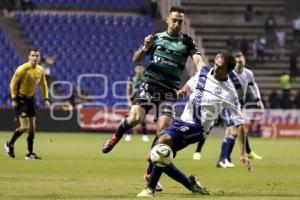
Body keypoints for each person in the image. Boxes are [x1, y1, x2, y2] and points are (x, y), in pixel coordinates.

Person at [137, 52, 251, 197]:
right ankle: (191, 184)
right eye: (215, 64)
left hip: (199, 127)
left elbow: (240, 123)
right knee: (153, 156)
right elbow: (189, 85)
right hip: (183, 121)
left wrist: (242, 153)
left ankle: (150, 189)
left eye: (220, 67)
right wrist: (182, 92)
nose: (215, 68)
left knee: (163, 142)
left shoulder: (229, 92)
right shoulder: (203, 72)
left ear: (228, 70)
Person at [102, 6, 206, 154]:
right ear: (168, 20)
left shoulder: (187, 41)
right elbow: (136, 60)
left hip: (169, 91)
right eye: (174, 20)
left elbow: (198, 61)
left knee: (163, 132)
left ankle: (151, 170)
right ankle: (115, 137)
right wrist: (145, 47)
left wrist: (204, 72)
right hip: (150, 84)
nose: (177, 24)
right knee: (135, 119)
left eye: (180, 22)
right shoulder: (156, 38)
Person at [193, 51, 263, 167]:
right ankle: (213, 155)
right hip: (224, 105)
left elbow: (253, 86)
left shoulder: (248, 74)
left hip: (237, 105)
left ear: (244, 61)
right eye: (237, 62)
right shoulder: (228, 74)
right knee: (233, 130)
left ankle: (225, 159)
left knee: (231, 131)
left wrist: (258, 99)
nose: (239, 64)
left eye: (241, 61)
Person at [4, 49, 50, 160]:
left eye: (37, 55)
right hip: (20, 99)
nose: (35, 57)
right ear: (29, 57)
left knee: (32, 129)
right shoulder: (22, 69)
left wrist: (46, 99)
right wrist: (14, 98)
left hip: (31, 100)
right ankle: (9, 144)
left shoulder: (40, 70)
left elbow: (44, 85)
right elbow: (12, 84)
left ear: (39, 58)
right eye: (33, 55)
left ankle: (29, 153)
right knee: (24, 127)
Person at [125, 64, 149, 142]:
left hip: (143, 99)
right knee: (131, 117)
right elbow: (128, 90)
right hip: (133, 100)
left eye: (140, 68)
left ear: (143, 69)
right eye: (137, 68)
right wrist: (128, 100)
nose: (139, 70)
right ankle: (128, 135)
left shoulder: (146, 79)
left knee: (142, 118)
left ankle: (144, 135)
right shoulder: (131, 78)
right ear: (135, 69)